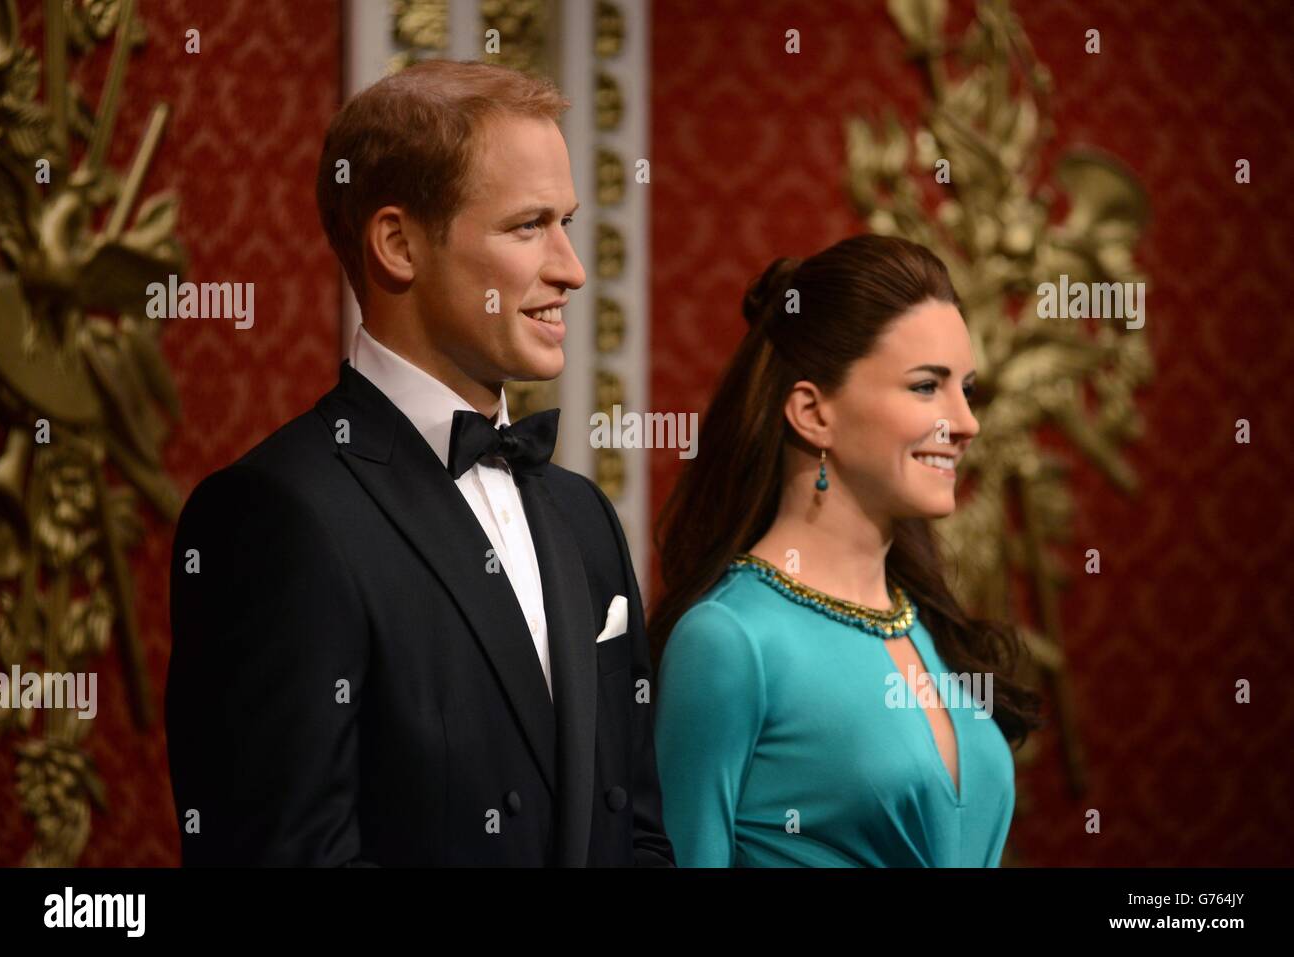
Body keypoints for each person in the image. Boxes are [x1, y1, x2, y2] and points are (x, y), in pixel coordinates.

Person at [165, 59, 673, 867]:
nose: (573, 268)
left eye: (568, 222)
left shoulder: (585, 519)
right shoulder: (274, 514)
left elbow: (641, 834)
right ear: (398, 244)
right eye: (527, 225)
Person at [650, 234, 1042, 867]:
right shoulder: (728, 640)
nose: (966, 422)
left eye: (966, 389)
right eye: (926, 387)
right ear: (813, 412)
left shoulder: (925, 624)